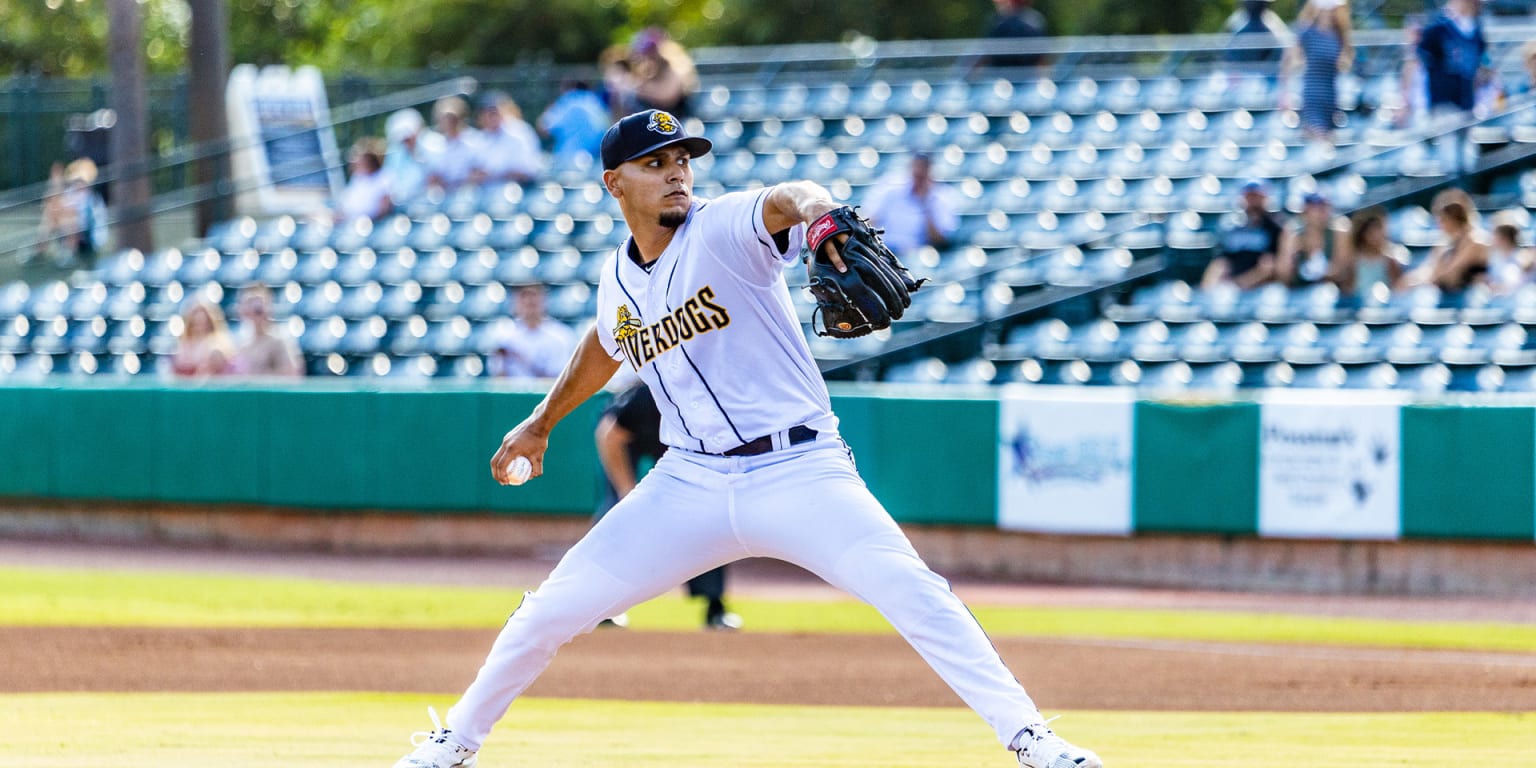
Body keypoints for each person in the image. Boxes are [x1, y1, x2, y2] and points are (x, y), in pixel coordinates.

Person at [390, 109, 1103, 768]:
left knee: (914, 592)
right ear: (614, 182)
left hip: (801, 468)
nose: (676, 171)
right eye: (654, 161)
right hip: (689, 482)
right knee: (549, 610)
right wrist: (541, 422)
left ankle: (1032, 739)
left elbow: (790, 196)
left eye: (682, 158)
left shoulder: (724, 226)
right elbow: (608, 342)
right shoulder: (616, 276)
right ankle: (453, 745)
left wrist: (822, 215)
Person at [594, 383, 740, 630]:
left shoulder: (710, 402)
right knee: (617, 515)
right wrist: (626, 491)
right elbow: (609, 436)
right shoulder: (648, 395)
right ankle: (601, 606)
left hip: (680, 447)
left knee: (706, 515)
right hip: (624, 441)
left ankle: (715, 606)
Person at [860, 152, 961, 257]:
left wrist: (926, 203)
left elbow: (939, 240)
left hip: (917, 255)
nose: (919, 171)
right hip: (882, 249)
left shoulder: (943, 196)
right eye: (917, 166)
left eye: (924, 167)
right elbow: (869, 220)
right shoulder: (889, 188)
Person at [1284, 0, 1354, 143]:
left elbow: (1345, 62)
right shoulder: (1307, 32)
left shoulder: (1337, 34)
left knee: (1327, 138)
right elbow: (1289, 59)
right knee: (1319, 136)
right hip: (1312, 93)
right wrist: (1285, 92)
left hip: (1330, 94)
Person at [1203, 179, 1290, 290]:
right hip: (1232, 285)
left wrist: (1239, 285)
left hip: (1265, 287)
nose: (1253, 201)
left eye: (1256, 196)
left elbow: (1272, 266)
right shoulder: (1232, 227)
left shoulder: (1276, 227)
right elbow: (1221, 261)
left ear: (1265, 197)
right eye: (1249, 196)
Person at [487, 283, 576, 380]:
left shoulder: (561, 336)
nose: (529, 301)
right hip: (513, 393)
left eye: (534, 295)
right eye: (523, 296)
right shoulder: (504, 336)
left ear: (544, 300)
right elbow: (498, 379)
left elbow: (560, 380)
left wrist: (523, 360)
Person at [1402, 196, 1488, 293]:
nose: (1439, 224)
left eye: (1443, 220)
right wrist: (1411, 280)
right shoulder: (1444, 243)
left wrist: (1424, 280)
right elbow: (1430, 268)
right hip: (1449, 296)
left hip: (1472, 296)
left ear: (1453, 220)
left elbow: (1450, 272)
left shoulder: (1475, 241)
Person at [1416, 0, 1487, 116]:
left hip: (1467, 101)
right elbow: (1423, 57)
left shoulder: (1476, 30)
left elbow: (1479, 63)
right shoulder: (1438, 29)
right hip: (1444, 102)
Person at [36, 158, 108, 269]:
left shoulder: (91, 198)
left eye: (80, 180)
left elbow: (84, 220)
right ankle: (41, 250)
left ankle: (68, 252)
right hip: (70, 231)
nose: (77, 183)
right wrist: (55, 184)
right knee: (50, 215)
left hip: (89, 238)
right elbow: (50, 204)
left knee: (68, 216)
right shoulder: (70, 192)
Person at [1326, 206, 1406, 299]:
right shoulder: (1354, 261)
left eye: (1378, 230)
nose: (1376, 236)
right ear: (1363, 234)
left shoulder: (1390, 260)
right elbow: (1347, 289)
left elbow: (1397, 288)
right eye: (1371, 232)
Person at [616, 28, 698, 117]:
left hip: (678, 122)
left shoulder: (676, 66)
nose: (649, 57)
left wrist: (640, 89)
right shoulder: (649, 67)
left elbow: (668, 97)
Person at [470, 91, 543, 187]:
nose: (491, 117)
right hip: (486, 195)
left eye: (494, 112)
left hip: (518, 192)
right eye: (486, 113)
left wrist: (494, 173)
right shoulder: (480, 139)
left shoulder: (519, 133)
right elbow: (473, 173)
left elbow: (529, 172)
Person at [229, 284, 304, 377]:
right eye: (248, 305)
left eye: (258, 309)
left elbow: (291, 374)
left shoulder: (280, 340)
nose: (252, 312)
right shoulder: (240, 341)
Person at [538, 79, 610, 169]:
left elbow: (544, 128)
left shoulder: (568, 100)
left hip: (568, 159)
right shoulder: (595, 101)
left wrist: (549, 108)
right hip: (595, 159)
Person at [1282, 191, 1347, 286]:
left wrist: (1317, 275)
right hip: (1297, 289)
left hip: (1328, 288)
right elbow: (1283, 274)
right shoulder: (1292, 232)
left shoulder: (1339, 231)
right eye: (1316, 207)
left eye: (1324, 207)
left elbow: (1341, 271)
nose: (1321, 212)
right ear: (1305, 210)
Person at [423, 96, 483, 193]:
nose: (448, 123)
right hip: (446, 194)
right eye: (444, 119)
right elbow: (434, 178)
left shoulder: (474, 141)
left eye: (452, 118)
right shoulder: (436, 145)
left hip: (469, 192)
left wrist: (461, 182)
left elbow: (479, 174)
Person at [170, 297, 235, 378]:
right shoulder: (183, 344)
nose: (199, 326)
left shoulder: (219, 344)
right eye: (195, 323)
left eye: (204, 322)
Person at [333, 138, 393, 224]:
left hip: (370, 227)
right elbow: (343, 206)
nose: (355, 162)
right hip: (349, 224)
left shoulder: (383, 178)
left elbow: (383, 209)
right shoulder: (357, 178)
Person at [382, 108, 432, 206]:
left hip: (426, 201)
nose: (405, 141)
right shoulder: (395, 155)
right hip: (405, 204)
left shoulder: (431, 146)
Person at [982, 0, 1049, 68]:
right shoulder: (997, 20)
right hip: (999, 73)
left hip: (1027, 73)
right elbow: (986, 52)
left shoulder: (1034, 21)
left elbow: (1041, 56)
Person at [1225, 0, 1295, 64]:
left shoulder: (1272, 19)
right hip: (1241, 71)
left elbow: (1286, 43)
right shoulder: (1236, 18)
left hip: (1265, 71)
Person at [1484, 219, 1533, 293]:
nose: (1491, 239)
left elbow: (1516, 284)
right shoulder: (1494, 257)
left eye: (1495, 236)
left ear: (1505, 239)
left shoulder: (1522, 257)